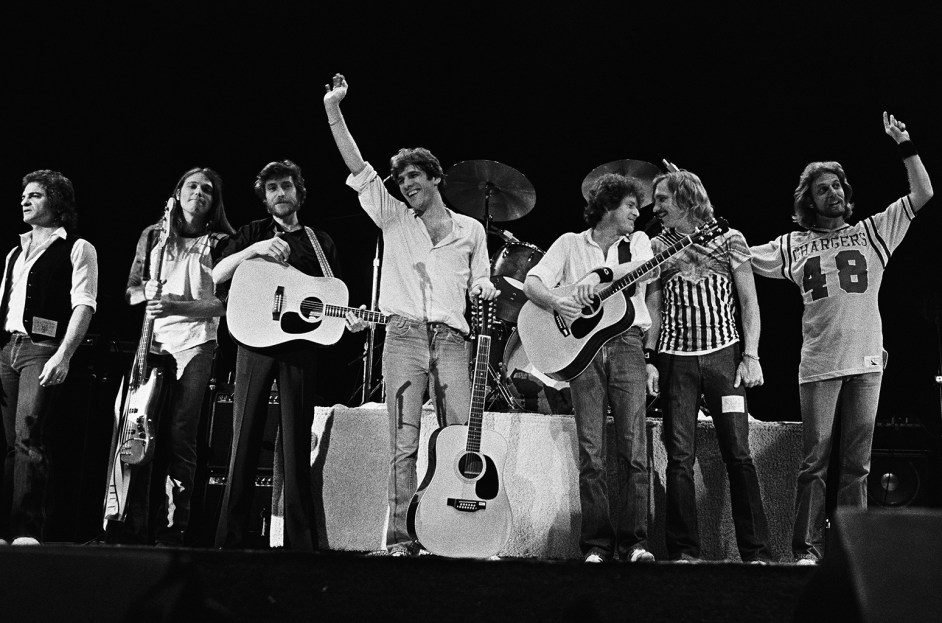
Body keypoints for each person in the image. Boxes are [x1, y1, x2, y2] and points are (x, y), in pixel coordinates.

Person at [324, 73, 498, 556]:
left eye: (413, 177)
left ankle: (459, 533)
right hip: (401, 337)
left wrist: (482, 287)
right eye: (400, 180)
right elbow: (356, 164)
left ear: (435, 179)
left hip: (452, 339)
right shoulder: (394, 217)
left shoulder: (470, 231)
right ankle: (403, 539)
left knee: (461, 437)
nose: (405, 185)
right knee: (403, 443)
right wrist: (333, 108)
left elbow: (480, 279)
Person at [750, 112, 933, 565]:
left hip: (867, 362)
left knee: (858, 465)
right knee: (814, 463)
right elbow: (738, 254)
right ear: (808, 201)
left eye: (837, 186)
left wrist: (904, 144)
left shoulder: (872, 231)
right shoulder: (791, 244)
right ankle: (807, 550)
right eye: (822, 188)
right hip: (818, 363)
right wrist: (699, 217)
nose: (833, 193)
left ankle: (854, 553)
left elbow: (922, 193)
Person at [212, 159, 358, 551]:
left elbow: (332, 298)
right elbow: (216, 275)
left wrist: (350, 319)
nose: (280, 193)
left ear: (299, 192)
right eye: (273, 187)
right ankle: (230, 539)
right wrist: (255, 250)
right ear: (264, 197)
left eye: (287, 186)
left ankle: (300, 543)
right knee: (243, 439)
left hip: (300, 350)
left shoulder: (319, 242)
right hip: (254, 342)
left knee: (296, 443)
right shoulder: (252, 233)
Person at [523, 173, 657, 563]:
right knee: (591, 451)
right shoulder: (569, 243)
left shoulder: (639, 243)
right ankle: (597, 545)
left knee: (635, 449)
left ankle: (636, 543)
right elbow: (533, 282)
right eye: (631, 205)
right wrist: (557, 303)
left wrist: (599, 278)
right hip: (582, 353)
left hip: (628, 344)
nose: (637, 212)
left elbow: (649, 269)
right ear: (608, 207)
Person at [646, 169, 773, 563]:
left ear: (685, 198)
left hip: (724, 356)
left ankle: (757, 553)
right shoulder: (655, 245)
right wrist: (649, 360)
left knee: (739, 453)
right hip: (674, 359)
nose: (657, 207)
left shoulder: (730, 238)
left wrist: (750, 355)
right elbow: (652, 302)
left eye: (663, 199)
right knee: (680, 458)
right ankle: (684, 552)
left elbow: (749, 300)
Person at [107, 167, 234, 546]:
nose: (199, 193)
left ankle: (175, 529)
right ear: (177, 193)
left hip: (196, 343)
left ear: (214, 201)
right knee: (139, 431)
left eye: (207, 190)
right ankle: (133, 522)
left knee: (181, 433)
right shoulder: (154, 237)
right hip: (153, 345)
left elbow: (223, 306)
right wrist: (146, 293)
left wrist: (176, 306)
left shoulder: (221, 242)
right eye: (192, 186)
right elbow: (129, 292)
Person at [0, 170, 98, 546]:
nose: (25, 201)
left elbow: (84, 305)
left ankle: (28, 531)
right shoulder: (14, 251)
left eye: (35, 195)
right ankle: (7, 530)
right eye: (24, 195)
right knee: (10, 444)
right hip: (7, 348)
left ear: (56, 204)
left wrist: (64, 354)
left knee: (30, 438)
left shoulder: (77, 247)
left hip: (42, 348)